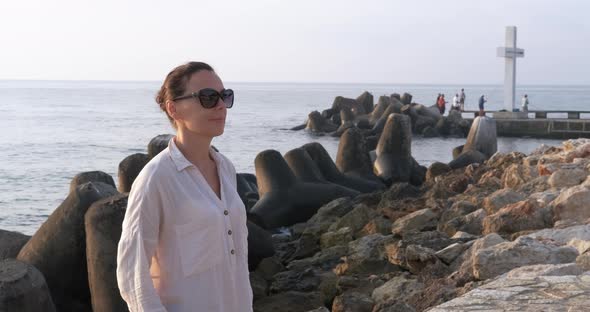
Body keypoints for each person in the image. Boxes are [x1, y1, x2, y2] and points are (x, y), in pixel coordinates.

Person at [116, 61, 253, 312]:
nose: (221, 105)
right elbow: (132, 273)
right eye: (208, 97)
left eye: (225, 96)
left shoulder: (226, 168)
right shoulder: (156, 178)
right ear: (174, 109)